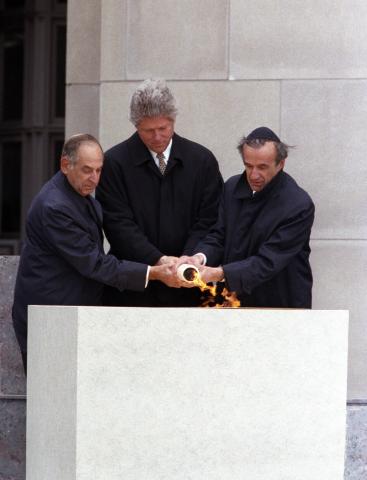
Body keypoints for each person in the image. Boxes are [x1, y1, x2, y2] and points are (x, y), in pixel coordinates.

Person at [12, 134, 179, 373]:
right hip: (51, 319)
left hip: (71, 315)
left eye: (99, 170)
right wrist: (153, 273)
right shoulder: (55, 206)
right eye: (87, 170)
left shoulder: (79, 196)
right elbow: (94, 264)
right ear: (65, 165)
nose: (95, 179)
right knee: (52, 400)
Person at [96, 79, 223, 307]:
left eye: (163, 129)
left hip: (192, 288)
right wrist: (158, 261)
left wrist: (188, 260)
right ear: (136, 126)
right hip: (132, 291)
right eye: (148, 131)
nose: (157, 137)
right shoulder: (115, 163)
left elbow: (210, 220)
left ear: (173, 121)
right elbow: (118, 225)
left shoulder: (202, 161)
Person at [178, 127, 315, 308]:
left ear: (281, 164)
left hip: (281, 302)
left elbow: (268, 261)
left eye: (262, 167)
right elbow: (218, 236)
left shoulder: (298, 204)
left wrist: (219, 273)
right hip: (234, 300)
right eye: (248, 165)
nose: (253, 175)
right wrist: (199, 258)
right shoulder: (231, 187)